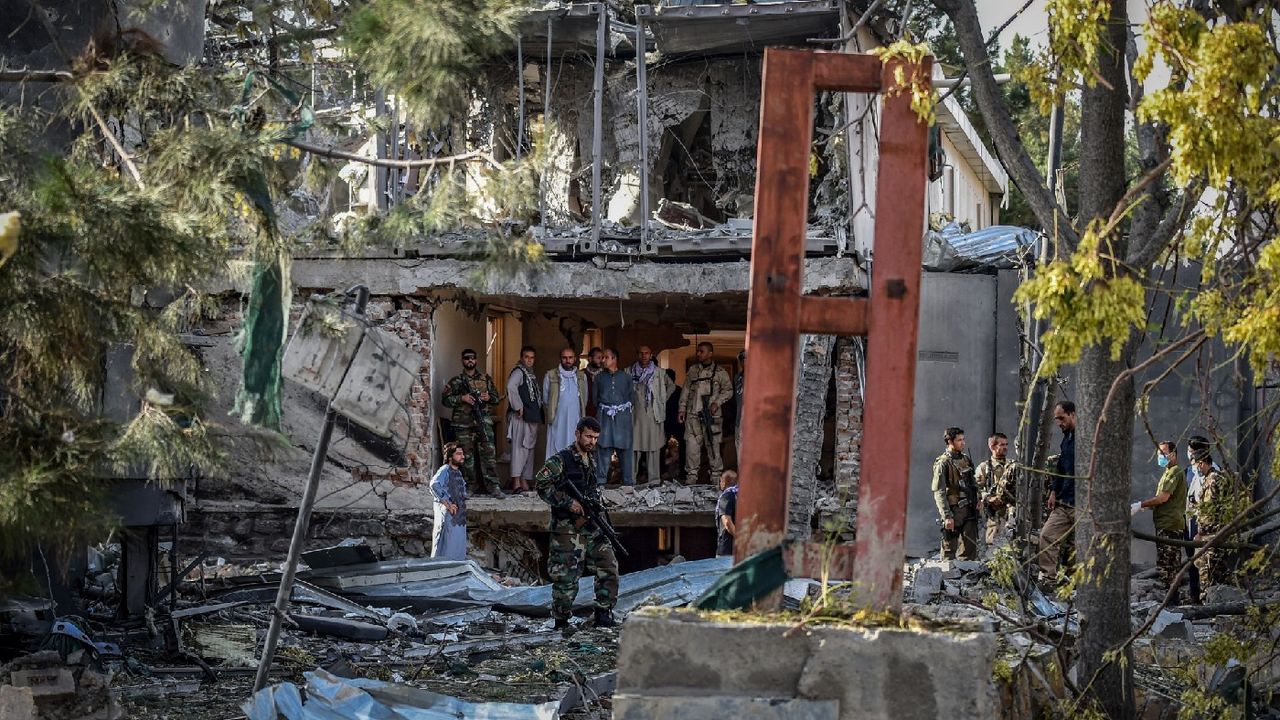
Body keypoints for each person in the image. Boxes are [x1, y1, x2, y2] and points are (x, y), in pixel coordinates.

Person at [534, 417, 619, 630]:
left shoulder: (591, 458)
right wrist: (568, 502)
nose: (592, 442)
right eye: (589, 436)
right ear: (578, 433)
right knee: (566, 576)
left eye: (596, 438)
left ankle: (603, 613)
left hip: (589, 522)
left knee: (608, 564)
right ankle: (561, 620)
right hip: (567, 528)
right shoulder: (560, 460)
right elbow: (542, 485)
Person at [441, 349, 505, 498]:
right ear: (462, 360)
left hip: (483, 422)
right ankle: (469, 486)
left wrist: (488, 397)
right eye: (467, 358)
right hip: (463, 424)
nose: (470, 360)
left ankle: (494, 486)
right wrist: (462, 398)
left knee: (489, 454)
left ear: (476, 360)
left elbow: (497, 398)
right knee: (466, 457)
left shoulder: (485, 379)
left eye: (472, 358)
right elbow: (445, 400)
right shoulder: (456, 381)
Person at [1131, 440, 1188, 603]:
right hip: (1166, 523)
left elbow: (1163, 498)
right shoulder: (1168, 472)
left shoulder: (1174, 472)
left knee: (1169, 565)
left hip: (1170, 525)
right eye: (1158, 454)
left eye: (1163, 453)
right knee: (1167, 563)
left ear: (1173, 454)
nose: (1160, 456)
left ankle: (1172, 600)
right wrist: (1144, 507)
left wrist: (1141, 505)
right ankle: (1171, 598)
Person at [679, 342, 732, 485]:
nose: (698, 354)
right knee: (692, 448)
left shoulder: (720, 372)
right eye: (698, 351)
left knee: (713, 447)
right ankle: (691, 478)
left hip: (712, 417)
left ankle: (716, 479)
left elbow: (728, 390)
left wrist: (717, 402)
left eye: (701, 351)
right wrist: (682, 409)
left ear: (710, 353)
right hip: (693, 416)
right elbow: (685, 391)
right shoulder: (692, 371)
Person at [1037, 400, 1076, 583]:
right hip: (1064, 501)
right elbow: (1061, 467)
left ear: (1073, 414)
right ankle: (1049, 578)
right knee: (1047, 535)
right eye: (1056, 419)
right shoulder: (1067, 438)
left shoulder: (1085, 437)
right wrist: (1053, 491)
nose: (1059, 422)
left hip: (1081, 503)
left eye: (1062, 418)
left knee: (1083, 545)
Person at [1192, 448, 1240, 588]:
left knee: (1207, 573)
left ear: (1201, 463)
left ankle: (1208, 603)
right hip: (1212, 534)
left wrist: (1200, 533)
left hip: (1212, 534)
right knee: (1217, 571)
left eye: (1196, 465)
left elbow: (1211, 512)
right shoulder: (1210, 478)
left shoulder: (1213, 480)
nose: (1196, 469)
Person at [932, 427, 979, 560]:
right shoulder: (943, 463)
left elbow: (974, 482)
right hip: (954, 509)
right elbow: (939, 491)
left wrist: (979, 499)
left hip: (969, 508)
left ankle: (968, 577)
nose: (963, 443)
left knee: (970, 549)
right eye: (959, 440)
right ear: (950, 441)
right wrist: (947, 515)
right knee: (949, 548)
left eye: (963, 439)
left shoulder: (966, 459)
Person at [629, 345, 672, 485]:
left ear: (651, 354)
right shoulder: (629, 372)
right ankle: (631, 480)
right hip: (635, 416)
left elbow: (670, 387)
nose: (644, 356)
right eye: (641, 353)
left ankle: (654, 481)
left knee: (653, 449)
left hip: (653, 416)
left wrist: (661, 400)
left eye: (646, 353)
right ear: (637, 354)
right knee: (634, 449)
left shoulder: (659, 372)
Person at [592, 349, 634, 485]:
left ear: (614, 359)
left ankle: (628, 483)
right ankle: (601, 482)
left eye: (606, 357)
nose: (603, 360)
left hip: (622, 419)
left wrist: (620, 409)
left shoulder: (626, 377)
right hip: (604, 418)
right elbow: (595, 400)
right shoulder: (598, 377)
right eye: (602, 357)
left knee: (625, 450)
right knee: (603, 448)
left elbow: (631, 398)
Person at [1181, 435, 1215, 602]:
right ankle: (1195, 595)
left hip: (1206, 523)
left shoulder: (1214, 473)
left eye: (1192, 452)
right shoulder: (1189, 471)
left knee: (1206, 561)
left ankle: (1207, 597)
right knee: (1192, 559)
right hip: (1191, 520)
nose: (1190, 455)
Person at [506, 346, 544, 493]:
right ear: (522, 358)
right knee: (519, 449)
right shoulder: (518, 371)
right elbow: (511, 387)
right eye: (526, 357)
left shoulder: (530, 374)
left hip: (531, 417)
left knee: (528, 449)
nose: (529, 360)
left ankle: (524, 480)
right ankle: (516, 482)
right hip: (520, 417)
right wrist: (518, 406)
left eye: (532, 357)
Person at [543, 347, 587, 459]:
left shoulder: (582, 377)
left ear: (575, 359)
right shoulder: (550, 375)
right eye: (564, 358)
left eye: (570, 357)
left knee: (574, 448)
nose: (568, 360)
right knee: (555, 450)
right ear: (560, 359)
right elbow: (546, 399)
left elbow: (584, 399)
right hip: (557, 421)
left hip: (575, 420)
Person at [429, 443, 469, 560]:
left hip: (459, 518)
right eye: (458, 454)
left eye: (462, 454)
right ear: (450, 457)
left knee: (457, 550)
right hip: (449, 517)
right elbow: (434, 484)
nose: (462, 456)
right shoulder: (445, 469)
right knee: (445, 550)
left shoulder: (458, 473)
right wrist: (447, 503)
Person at [976, 432, 1015, 549]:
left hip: (1012, 512)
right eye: (1002, 445)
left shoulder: (1013, 465)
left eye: (1007, 444)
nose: (1005, 447)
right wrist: (988, 497)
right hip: (994, 514)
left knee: (1012, 546)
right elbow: (977, 488)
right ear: (992, 446)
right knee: (992, 547)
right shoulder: (984, 467)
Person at [663, 368, 684, 474]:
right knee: (662, 447)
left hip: (673, 423)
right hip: (670, 423)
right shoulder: (678, 390)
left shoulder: (677, 391)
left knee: (662, 447)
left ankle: (662, 470)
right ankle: (682, 471)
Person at [715, 470, 739, 557]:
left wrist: (740, 539)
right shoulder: (740, 495)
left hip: (727, 551)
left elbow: (727, 522)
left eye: (721, 480)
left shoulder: (727, 496)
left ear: (723, 482)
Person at [583, 347, 604, 418]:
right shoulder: (581, 374)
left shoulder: (605, 375)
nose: (601, 360)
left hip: (601, 413)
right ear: (590, 359)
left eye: (602, 358)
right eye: (598, 358)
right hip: (585, 412)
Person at [733, 350, 746, 456]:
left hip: (753, 421)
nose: (743, 362)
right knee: (740, 450)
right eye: (742, 360)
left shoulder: (758, 377)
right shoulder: (738, 378)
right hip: (739, 420)